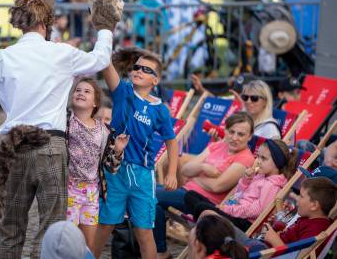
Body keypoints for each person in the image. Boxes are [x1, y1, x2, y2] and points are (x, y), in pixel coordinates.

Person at [0, 0, 122, 259]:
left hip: (16, 147)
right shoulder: (60, 52)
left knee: (11, 228)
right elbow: (100, 59)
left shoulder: (3, 57)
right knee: (52, 230)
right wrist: (104, 28)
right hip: (50, 146)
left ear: (19, 22)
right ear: (45, 23)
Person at [92, 51, 180, 259]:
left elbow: (171, 141)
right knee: (105, 225)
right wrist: (107, 33)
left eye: (146, 69)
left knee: (144, 231)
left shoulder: (160, 109)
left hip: (142, 175)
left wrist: (173, 173)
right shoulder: (122, 91)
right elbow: (105, 63)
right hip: (115, 170)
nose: (139, 71)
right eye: (136, 67)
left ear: (155, 80)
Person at [154, 111, 255, 258]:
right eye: (231, 132)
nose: (234, 138)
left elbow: (218, 186)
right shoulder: (219, 145)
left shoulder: (245, 159)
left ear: (250, 136)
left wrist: (196, 177)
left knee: (147, 194)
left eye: (241, 134)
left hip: (202, 205)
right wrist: (203, 168)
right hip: (185, 193)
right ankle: (160, 251)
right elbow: (185, 170)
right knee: (150, 199)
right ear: (225, 130)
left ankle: (158, 251)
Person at [66, 77, 128, 250]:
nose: (81, 93)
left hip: (91, 193)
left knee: (88, 244)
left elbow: (111, 167)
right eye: (78, 90)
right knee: (68, 241)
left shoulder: (104, 131)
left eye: (87, 91)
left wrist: (117, 150)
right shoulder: (66, 122)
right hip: (69, 189)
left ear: (95, 102)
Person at [185, 139, 298, 232]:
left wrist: (229, 209)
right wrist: (246, 180)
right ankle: (202, 219)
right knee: (190, 195)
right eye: (258, 156)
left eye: (263, 158)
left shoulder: (272, 185)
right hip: (235, 212)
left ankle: (200, 221)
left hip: (245, 223)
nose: (258, 161)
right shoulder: (260, 175)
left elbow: (257, 211)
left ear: (277, 162)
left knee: (202, 207)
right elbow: (238, 194)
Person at [234, 177, 337, 256]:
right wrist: (278, 231)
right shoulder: (309, 218)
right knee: (223, 228)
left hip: (265, 253)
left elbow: (294, 257)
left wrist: (273, 239)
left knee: (223, 231)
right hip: (263, 247)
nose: (297, 199)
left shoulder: (317, 229)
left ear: (314, 205)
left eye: (301, 196)